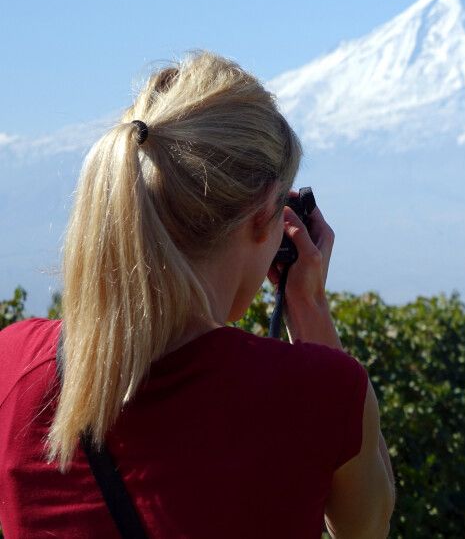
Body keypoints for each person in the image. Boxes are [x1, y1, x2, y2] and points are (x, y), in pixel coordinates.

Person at [0, 53, 395, 537]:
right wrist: (309, 306)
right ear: (265, 212)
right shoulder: (319, 392)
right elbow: (367, 525)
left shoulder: (14, 365)